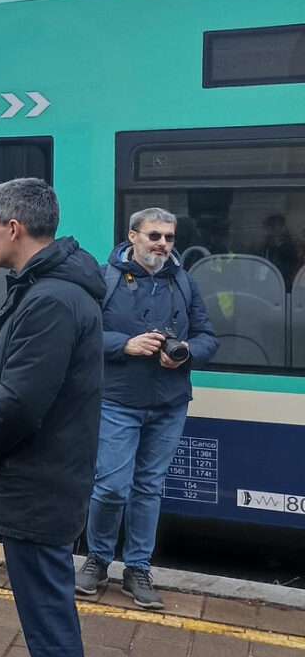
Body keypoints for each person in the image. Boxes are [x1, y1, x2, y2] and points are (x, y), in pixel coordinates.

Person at [0, 178, 104, 657]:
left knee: (48, 621)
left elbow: (19, 402)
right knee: (47, 614)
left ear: (14, 228)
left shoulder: (51, 302)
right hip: (43, 480)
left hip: (37, 486)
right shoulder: (49, 292)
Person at [79, 208, 218, 608]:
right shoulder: (104, 281)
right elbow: (84, 334)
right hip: (118, 400)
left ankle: (137, 569)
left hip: (169, 403)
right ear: (133, 236)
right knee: (110, 487)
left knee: (149, 488)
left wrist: (188, 352)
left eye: (169, 237)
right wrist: (124, 345)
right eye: (154, 235)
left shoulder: (184, 282)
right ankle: (98, 558)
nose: (162, 244)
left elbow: (209, 337)